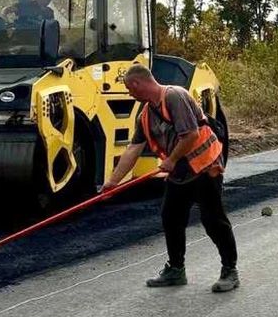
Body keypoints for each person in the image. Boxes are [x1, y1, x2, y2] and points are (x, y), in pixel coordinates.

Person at [102, 64, 239, 292]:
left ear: (137, 84)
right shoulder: (146, 115)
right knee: (171, 216)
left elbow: (192, 134)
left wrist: (172, 159)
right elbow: (133, 150)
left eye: (129, 89)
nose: (129, 94)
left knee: (213, 219)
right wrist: (113, 182)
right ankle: (176, 270)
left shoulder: (174, 96)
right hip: (181, 172)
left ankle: (230, 270)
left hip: (205, 167)